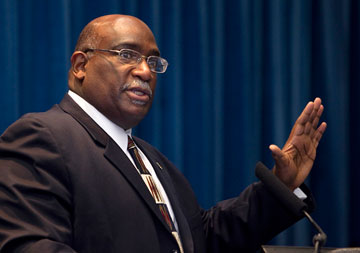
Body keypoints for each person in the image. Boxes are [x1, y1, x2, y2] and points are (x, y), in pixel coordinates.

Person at [0, 14, 327, 253]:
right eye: (127, 55)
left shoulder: (148, 158)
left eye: (153, 62)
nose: (145, 71)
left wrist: (281, 187)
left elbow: (204, 238)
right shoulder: (41, 137)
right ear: (80, 66)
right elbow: (31, 246)